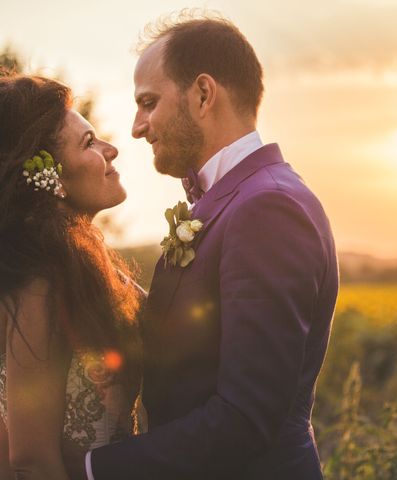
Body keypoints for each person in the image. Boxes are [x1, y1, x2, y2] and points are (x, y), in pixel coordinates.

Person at [75, 12, 339, 480]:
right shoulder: (234, 201)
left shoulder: (268, 208)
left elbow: (246, 417)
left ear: (202, 94)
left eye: (148, 102)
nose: (137, 127)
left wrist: (93, 468)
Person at [0, 75, 144, 480]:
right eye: (89, 142)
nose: (111, 149)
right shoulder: (37, 283)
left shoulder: (80, 266)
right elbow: (29, 458)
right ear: (53, 181)